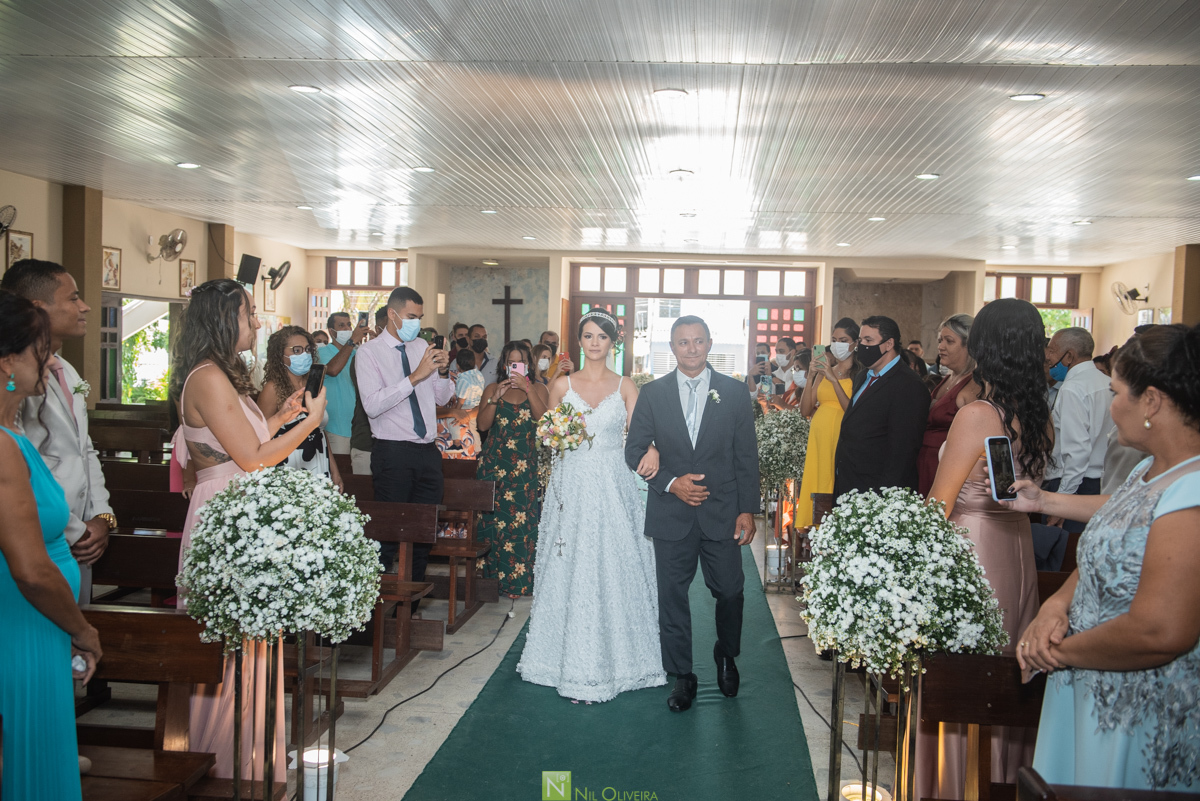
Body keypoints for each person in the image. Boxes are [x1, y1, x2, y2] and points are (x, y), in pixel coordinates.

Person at [1008, 324, 1200, 791]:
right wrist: (1055, 606)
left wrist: (1058, 652)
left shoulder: (1193, 492)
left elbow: (1160, 632)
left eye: (1116, 392)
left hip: (1137, 702)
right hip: (1088, 682)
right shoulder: (1149, 470)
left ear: (1151, 401)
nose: (1110, 405)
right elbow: (1118, 527)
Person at [169, 278, 326, 781]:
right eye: (248, 313)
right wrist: (309, 422)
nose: (256, 323)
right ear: (221, 319)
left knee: (253, 649)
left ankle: (254, 763)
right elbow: (253, 460)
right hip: (223, 516)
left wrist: (281, 414)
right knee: (227, 654)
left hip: (241, 514)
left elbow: (245, 440)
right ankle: (223, 766)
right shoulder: (208, 378)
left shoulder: (221, 376)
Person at [920, 298, 1054, 798]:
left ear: (984, 348)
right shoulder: (1039, 413)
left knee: (966, 666)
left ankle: (954, 782)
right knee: (1006, 660)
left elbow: (939, 504)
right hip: (1016, 548)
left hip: (973, 549)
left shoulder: (978, 414)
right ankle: (1003, 775)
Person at [517, 309, 666, 702]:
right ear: (579, 341)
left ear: (612, 342)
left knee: (615, 560)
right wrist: (556, 437)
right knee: (571, 562)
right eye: (588, 335)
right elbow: (549, 433)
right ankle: (559, 657)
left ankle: (625, 658)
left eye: (602, 336)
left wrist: (651, 446)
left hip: (613, 483)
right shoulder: (562, 385)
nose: (595, 342)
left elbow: (640, 437)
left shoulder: (627, 386)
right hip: (572, 483)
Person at [626, 315, 760, 713]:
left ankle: (726, 653)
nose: (692, 349)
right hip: (671, 512)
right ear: (673, 348)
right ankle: (682, 675)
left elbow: (746, 457)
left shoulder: (734, 393)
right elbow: (634, 450)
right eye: (683, 342)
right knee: (672, 598)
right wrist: (670, 482)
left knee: (731, 592)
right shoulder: (654, 394)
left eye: (699, 341)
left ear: (709, 343)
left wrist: (747, 510)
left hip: (722, 512)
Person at [0, 290, 103, 801]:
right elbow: (31, 569)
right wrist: (82, 628)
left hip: (38, 624)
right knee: (29, 764)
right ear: (7, 363)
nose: (48, 361)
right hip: (25, 624)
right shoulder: (1, 446)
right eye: (38, 351)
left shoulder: (12, 431)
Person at [3, 260, 115, 604]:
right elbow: (25, 469)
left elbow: (84, 450)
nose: (84, 307)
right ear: (39, 308)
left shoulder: (64, 368)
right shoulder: (18, 381)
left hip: (77, 537)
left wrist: (101, 515)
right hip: (39, 532)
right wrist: (73, 528)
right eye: (73, 298)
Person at [356, 287, 452, 601]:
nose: (417, 323)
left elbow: (442, 397)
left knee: (422, 536)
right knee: (388, 536)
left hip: (427, 452)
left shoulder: (421, 345)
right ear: (393, 315)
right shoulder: (368, 353)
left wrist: (442, 369)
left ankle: (408, 615)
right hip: (392, 452)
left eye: (420, 318)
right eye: (412, 317)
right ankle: (376, 611)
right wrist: (414, 377)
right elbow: (372, 405)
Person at [476, 341, 550, 597]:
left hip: (525, 471)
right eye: (510, 362)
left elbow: (544, 422)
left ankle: (520, 584)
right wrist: (495, 399)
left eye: (520, 362)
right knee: (494, 527)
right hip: (494, 468)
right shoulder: (492, 388)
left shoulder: (539, 388)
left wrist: (528, 390)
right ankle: (489, 585)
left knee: (522, 529)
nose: (515, 367)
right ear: (504, 364)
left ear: (528, 365)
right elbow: (483, 426)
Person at [833, 316, 931, 499]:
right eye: (861, 340)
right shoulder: (863, 376)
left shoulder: (909, 385)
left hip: (876, 491)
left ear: (889, 344)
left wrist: (883, 499)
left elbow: (903, 451)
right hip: (849, 482)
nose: (862, 346)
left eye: (869, 341)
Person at [1043, 327, 1114, 533]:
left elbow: (1077, 451)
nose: (1048, 357)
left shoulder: (1073, 388)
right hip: (1100, 483)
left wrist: (1062, 502)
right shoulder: (1108, 383)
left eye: (1052, 350)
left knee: (1063, 553)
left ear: (1069, 356)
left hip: (1074, 484)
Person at [794, 319, 860, 528]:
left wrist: (833, 379)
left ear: (855, 343)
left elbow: (853, 410)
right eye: (834, 340)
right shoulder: (825, 370)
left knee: (834, 480)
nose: (837, 344)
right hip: (818, 437)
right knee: (817, 478)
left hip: (842, 435)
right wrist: (813, 375)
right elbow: (806, 410)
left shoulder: (860, 374)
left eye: (843, 340)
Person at [258, 325, 343, 488]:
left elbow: (319, 431)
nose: (304, 355)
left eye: (308, 349)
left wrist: (335, 471)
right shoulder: (272, 389)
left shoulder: (313, 383)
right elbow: (261, 436)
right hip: (288, 469)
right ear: (280, 355)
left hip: (318, 463)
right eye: (296, 350)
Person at [918, 314, 980, 496]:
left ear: (969, 345)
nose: (941, 347)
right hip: (926, 463)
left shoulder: (974, 385)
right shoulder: (947, 378)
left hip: (946, 468)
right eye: (940, 340)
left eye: (949, 341)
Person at [317, 311, 369, 455]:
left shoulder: (357, 352)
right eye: (341, 326)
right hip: (336, 427)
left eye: (348, 325)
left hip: (358, 427)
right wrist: (351, 341)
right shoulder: (322, 353)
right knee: (340, 471)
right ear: (331, 331)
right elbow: (333, 369)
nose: (347, 329)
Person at [348, 307, 391, 475]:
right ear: (379, 329)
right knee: (366, 498)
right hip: (367, 443)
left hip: (398, 446)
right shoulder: (364, 356)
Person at [435, 349, 482, 460]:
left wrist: (467, 415)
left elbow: (481, 405)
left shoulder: (460, 376)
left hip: (466, 440)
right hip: (438, 440)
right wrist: (453, 412)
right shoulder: (421, 381)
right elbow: (424, 410)